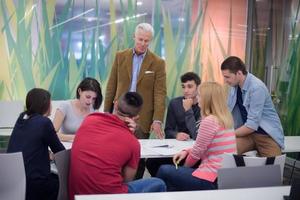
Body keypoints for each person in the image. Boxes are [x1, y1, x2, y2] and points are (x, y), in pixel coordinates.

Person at [69, 92, 166, 200]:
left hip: (76, 196)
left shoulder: (89, 119)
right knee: (159, 183)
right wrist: (130, 134)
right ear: (136, 117)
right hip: (111, 196)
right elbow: (127, 180)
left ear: (115, 104)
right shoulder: (132, 143)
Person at [104, 22, 166, 178]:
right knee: (115, 153)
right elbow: (111, 85)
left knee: (137, 157)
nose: (143, 44)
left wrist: (157, 119)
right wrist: (106, 112)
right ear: (134, 37)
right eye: (140, 39)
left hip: (142, 116)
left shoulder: (158, 62)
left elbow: (160, 92)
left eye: (147, 41)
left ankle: (135, 190)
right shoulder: (120, 56)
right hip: (119, 113)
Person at [156, 82, 236, 191]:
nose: (197, 99)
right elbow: (202, 146)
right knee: (172, 180)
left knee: (163, 170)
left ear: (206, 99)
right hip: (223, 177)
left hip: (211, 179)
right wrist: (187, 151)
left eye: (199, 96)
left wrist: (182, 169)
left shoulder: (209, 121)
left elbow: (196, 153)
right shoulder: (226, 119)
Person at [7, 88, 65, 200]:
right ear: (45, 104)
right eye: (50, 102)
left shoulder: (21, 118)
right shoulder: (44, 123)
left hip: (13, 182)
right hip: (34, 185)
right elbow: (60, 151)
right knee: (59, 182)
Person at [220, 56, 284, 156]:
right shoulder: (234, 86)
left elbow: (251, 125)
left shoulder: (256, 88)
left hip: (266, 135)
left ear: (239, 73)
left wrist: (229, 134)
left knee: (274, 168)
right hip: (247, 134)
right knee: (223, 151)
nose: (225, 80)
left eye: (227, 77)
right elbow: (228, 111)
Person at [146, 72, 201, 177]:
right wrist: (176, 135)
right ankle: (164, 184)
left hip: (195, 150)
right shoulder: (175, 103)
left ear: (198, 87)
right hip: (177, 147)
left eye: (190, 87)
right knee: (151, 162)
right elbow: (168, 130)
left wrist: (188, 109)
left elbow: (197, 135)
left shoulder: (203, 105)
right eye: (183, 87)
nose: (186, 90)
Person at [53, 77, 102, 141]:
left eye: (93, 98)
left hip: (86, 147)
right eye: (88, 97)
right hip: (66, 148)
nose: (90, 101)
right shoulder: (65, 106)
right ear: (79, 91)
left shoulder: (94, 110)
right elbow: (52, 134)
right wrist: (77, 137)